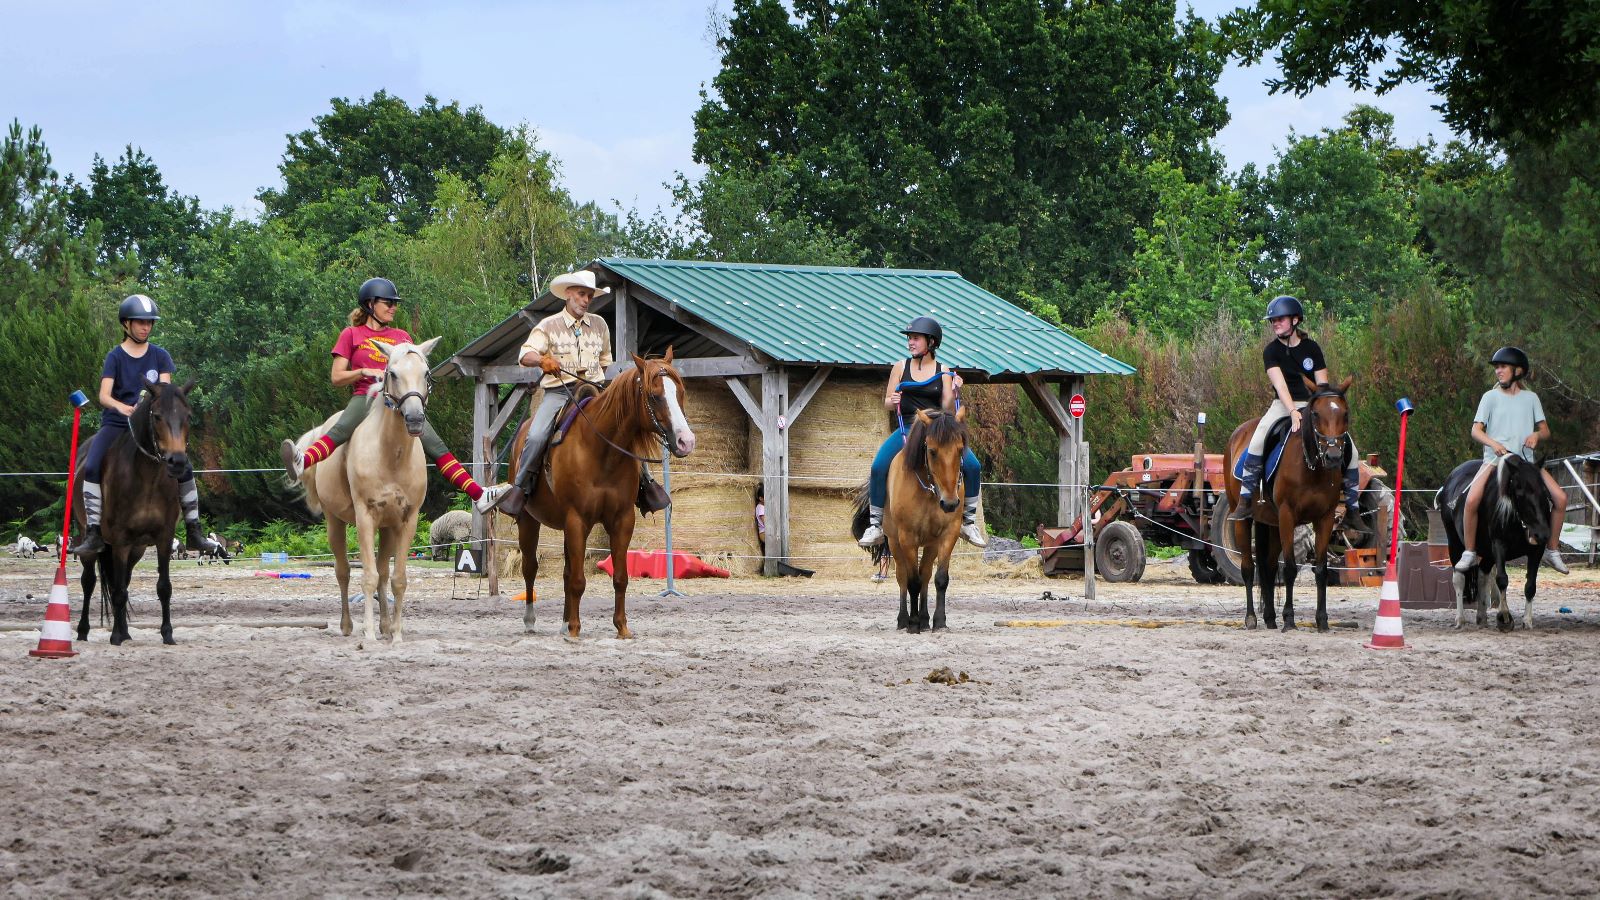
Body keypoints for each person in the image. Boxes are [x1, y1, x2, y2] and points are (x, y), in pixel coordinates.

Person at [280, 277, 509, 513]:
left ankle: (479, 494)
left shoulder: (402, 338)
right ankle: (302, 463)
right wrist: (363, 371)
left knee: (436, 445)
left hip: (398, 400)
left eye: (395, 303)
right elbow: (337, 377)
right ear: (370, 304)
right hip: (366, 396)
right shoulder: (351, 335)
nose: (393, 307)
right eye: (388, 302)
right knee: (341, 428)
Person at [72, 295, 221, 556]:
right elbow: (104, 395)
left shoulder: (160, 355)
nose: (145, 327)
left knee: (184, 466)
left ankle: (194, 530)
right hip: (117, 423)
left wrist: (149, 405)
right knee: (93, 464)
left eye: (149, 323)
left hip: (150, 426)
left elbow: (165, 391)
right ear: (126, 324)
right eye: (140, 322)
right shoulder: (115, 357)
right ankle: (93, 530)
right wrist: (122, 407)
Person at [856, 316, 986, 549]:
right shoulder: (899, 367)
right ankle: (875, 525)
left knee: (973, 465)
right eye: (909, 339)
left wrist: (955, 390)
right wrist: (891, 400)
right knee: (878, 466)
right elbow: (887, 402)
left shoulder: (943, 370)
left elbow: (946, 406)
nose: (910, 343)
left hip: (936, 429)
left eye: (915, 338)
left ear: (931, 342)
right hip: (907, 427)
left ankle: (968, 521)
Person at [495, 269, 616, 516]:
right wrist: (541, 361)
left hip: (595, 391)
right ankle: (520, 488)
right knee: (537, 434)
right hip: (560, 393)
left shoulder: (600, 325)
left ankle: (645, 484)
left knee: (625, 424)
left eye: (589, 296)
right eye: (581, 294)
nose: (585, 300)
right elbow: (524, 354)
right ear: (568, 294)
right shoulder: (548, 326)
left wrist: (596, 380)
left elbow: (605, 360)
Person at [1230, 295, 1361, 522]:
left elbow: (1321, 385)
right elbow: (1280, 386)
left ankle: (1353, 507)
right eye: (1273, 320)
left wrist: (1317, 409)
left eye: (1280, 319)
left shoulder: (1312, 348)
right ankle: (1245, 499)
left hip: (1313, 406)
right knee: (1259, 438)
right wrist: (1292, 412)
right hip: (1282, 406)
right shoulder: (1271, 351)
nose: (1275, 323)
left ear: (1295, 320)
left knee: (1352, 450)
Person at [1454, 347, 1569, 574]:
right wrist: (1493, 443)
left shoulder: (1531, 398)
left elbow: (1545, 430)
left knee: (1561, 498)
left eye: (1503, 366)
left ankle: (1552, 549)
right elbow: (1475, 431)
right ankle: (1469, 551)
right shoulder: (1490, 397)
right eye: (1496, 367)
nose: (1498, 371)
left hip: (1525, 463)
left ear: (1517, 371)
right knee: (1471, 500)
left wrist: (1536, 435)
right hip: (1495, 461)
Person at [754, 483, 767, 555]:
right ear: (761, 498)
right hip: (764, 533)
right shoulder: (760, 508)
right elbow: (765, 522)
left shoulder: (764, 506)